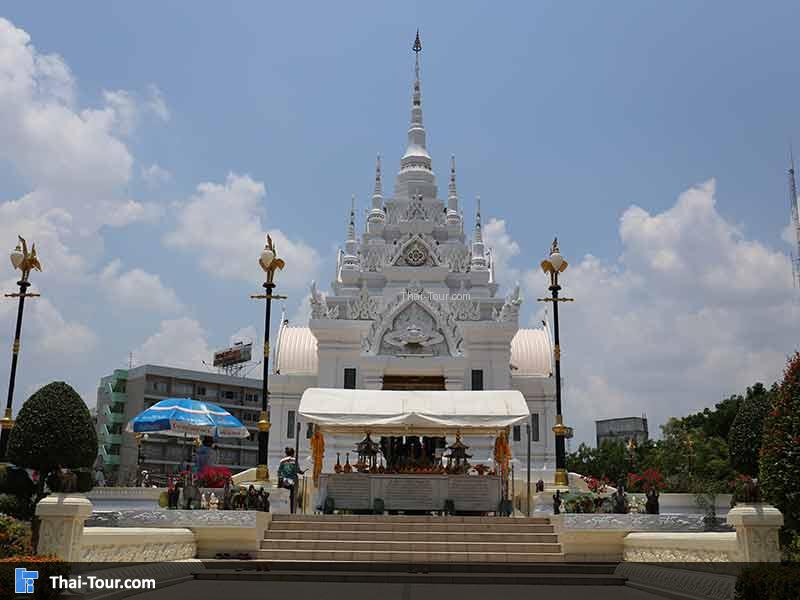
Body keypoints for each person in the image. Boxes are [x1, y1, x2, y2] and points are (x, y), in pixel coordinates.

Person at [278, 447, 304, 513]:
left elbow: (279, 471)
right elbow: (297, 470)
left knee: (285, 497)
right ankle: (292, 511)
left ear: (286, 453)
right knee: (293, 497)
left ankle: (285, 510)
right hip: (293, 481)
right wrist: (302, 472)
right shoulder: (294, 460)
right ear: (293, 453)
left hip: (285, 481)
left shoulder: (282, 460)